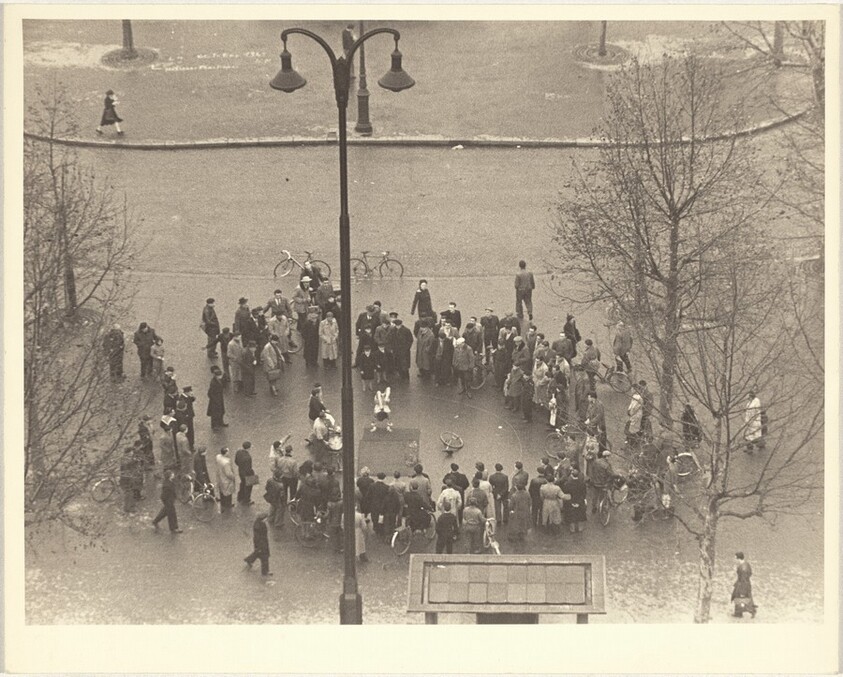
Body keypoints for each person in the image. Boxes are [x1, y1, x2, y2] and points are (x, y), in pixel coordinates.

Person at [731, 551, 758, 618]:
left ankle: (751, 610)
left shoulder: (743, 568)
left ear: (738, 558)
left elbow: (743, 579)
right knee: (739, 598)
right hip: (744, 583)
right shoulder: (746, 564)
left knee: (743, 598)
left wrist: (742, 588)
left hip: (742, 585)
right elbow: (750, 573)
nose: (734, 559)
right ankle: (738, 613)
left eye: (735, 558)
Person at [562, 467, 587, 533]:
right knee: (580, 515)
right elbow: (584, 493)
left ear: (572, 475)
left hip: (571, 501)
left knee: (571, 515)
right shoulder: (582, 484)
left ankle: (572, 529)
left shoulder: (568, 484)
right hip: (580, 501)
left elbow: (565, 492)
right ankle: (580, 528)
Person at [367, 472, 390, 537]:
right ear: (384, 478)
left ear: (377, 477)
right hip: (383, 506)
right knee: (382, 518)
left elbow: (368, 496)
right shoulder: (386, 487)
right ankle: (381, 530)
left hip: (374, 505)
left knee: (374, 517)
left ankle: (376, 528)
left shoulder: (372, 486)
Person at [119, 447, 141, 513]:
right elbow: (129, 466)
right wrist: (135, 461)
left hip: (126, 478)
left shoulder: (123, 458)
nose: (132, 453)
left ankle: (127, 508)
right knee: (129, 493)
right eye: (131, 452)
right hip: (127, 479)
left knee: (129, 493)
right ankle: (129, 508)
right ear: (128, 452)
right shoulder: (128, 460)